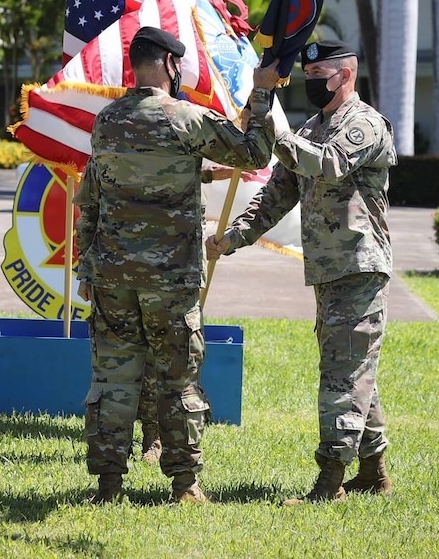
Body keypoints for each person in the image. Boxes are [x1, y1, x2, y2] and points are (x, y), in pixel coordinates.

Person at [74, 25, 279, 505]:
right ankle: (185, 485)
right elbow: (255, 152)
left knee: (113, 377)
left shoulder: (107, 121)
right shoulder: (186, 118)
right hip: (171, 279)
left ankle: (108, 486)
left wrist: (86, 267)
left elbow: (95, 196)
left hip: (113, 276)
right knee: (178, 377)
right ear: (169, 64)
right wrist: (263, 93)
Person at [206, 39, 397, 504]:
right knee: (351, 367)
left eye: (319, 76)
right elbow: (277, 194)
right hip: (330, 272)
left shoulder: (365, 124)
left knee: (341, 374)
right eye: (307, 77)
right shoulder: (313, 127)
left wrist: (277, 126)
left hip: (359, 266)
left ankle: (329, 484)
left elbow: (327, 165)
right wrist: (234, 237)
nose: (311, 83)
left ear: (345, 75)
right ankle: (373, 472)